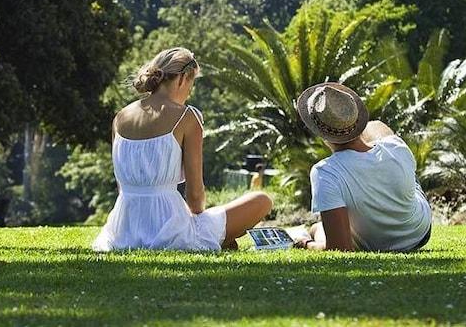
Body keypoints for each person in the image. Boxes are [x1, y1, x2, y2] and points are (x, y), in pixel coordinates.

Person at [93, 47, 272, 252]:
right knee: (261, 201)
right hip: (172, 230)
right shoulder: (187, 117)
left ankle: (224, 240)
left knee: (217, 218)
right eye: (192, 83)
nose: (190, 91)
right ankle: (222, 240)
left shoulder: (120, 118)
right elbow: (195, 200)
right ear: (182, 79)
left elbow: (121, 187)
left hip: (122, 229)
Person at [292, 82, 432, 252]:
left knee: (316, 229)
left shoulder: (325, 172)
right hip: (418, 233)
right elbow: (378, 127)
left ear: (318, 132)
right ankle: (315, 228)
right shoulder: (396, 146)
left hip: (377, 245)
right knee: (377, 128)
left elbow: (340, 249)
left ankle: (313, 230)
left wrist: (305, 243)